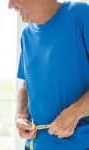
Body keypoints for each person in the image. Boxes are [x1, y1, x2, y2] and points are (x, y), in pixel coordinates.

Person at [8, 0, 89, 149]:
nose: (10, 5)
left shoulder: (80, 14)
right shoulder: (26, 36)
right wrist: (20, 116)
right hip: (34, 145)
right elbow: (27, 85)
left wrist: (75, 113)